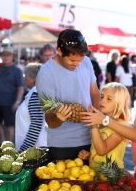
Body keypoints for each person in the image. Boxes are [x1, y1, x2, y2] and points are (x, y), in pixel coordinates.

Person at [36, 29, 100, 161]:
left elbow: (94, 92)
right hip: (62, 146)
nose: (77, 64)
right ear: (59, 51)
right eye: (72, 60)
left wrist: (97, 113)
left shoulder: (87, 62)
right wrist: (59, 117)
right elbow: (50, 120)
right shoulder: (46, 73)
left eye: (79, 60)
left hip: (91, 138)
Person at [78, 82, 130, 169]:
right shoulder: (102, 123)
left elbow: (102, 150)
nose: (102, 101)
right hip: (95, 175)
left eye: (109, 99)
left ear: (120, 103)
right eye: (102, 97)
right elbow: (99, 151)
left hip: (111, 179)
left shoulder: (121, 126)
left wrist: (94, 126)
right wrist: (89, 155)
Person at [0, 47, 24, 142]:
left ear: (12, 56)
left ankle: (8, 146)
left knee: (9, 125)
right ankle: (2, 142)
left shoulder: (17, 71)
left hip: (10, 102)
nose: (6, 57)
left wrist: (17, 102)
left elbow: (20, 88)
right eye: (4, 55)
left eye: (8, 55)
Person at [15, 63, 47, 151]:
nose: (24, 78)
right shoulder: (38, 92)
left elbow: (36, 125)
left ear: (33, 78)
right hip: (37, 148)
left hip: (34, 150)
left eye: (25, 75)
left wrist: (23, 150)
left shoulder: (35, 94)